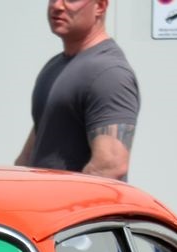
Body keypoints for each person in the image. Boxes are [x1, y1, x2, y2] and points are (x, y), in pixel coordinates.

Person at [15, 0, 139, 180]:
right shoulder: (55, 66)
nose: (57, 6)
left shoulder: (108, 73)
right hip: (40, 203)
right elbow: (34, 147)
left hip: (76, 206)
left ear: (100, 6)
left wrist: (63, 205)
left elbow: (110, 165)